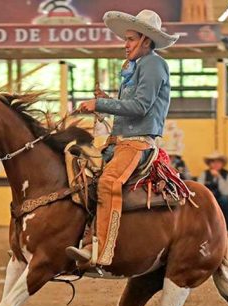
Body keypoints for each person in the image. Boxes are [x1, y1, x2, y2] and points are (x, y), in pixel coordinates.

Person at [65, 9, 178, 266]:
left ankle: (102, 251)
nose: (125, 45)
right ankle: (85, 237)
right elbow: (131, 104)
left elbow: (140, 107)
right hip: (119, 142)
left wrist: (101, 103)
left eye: (130, 39)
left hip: (137, 143)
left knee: (108, 183)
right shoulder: (137, 65)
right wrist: (106, 99)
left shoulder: (153, 64)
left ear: (145, 40)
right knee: (82, 179)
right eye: (125, 39)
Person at [197, 151, 228, 231]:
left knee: (225, 200)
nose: (215, 164)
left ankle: (227, 228)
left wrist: (219, 177)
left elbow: (226, 192)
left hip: (221, 198)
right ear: (209, 164)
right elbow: (199, 189)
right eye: (213, 162)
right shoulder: (204, 174)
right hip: (207, 198)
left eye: (218, 162)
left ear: (222, 163)